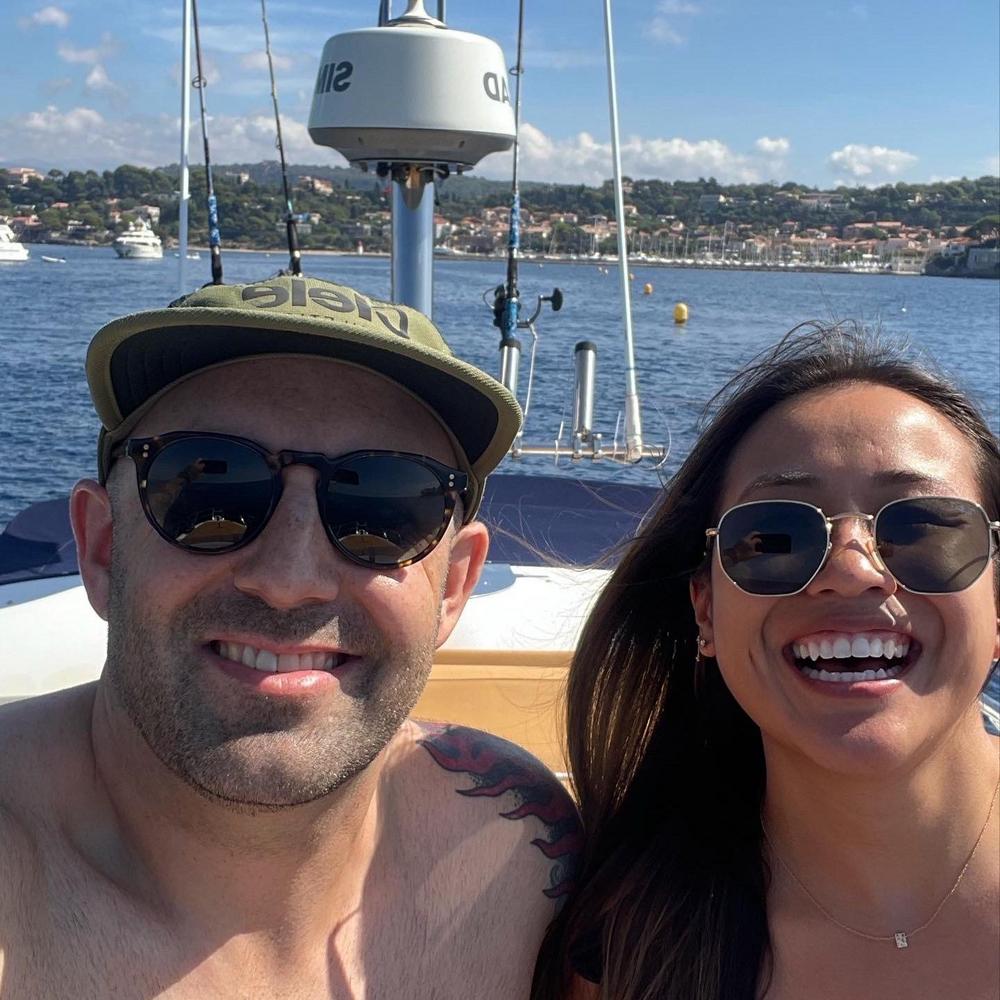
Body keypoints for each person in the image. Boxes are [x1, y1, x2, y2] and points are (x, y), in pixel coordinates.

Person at [0, 274, 580, 998]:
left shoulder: (518, 848)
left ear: (453, 587)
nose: (289, 578)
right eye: (208, 490)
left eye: (385, 507)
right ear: (103, 549)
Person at [534, 324, 1000, 1000]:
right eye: (775, 537)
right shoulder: (628, 951)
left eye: (923, 528)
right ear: (706, 610)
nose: (853, 571)